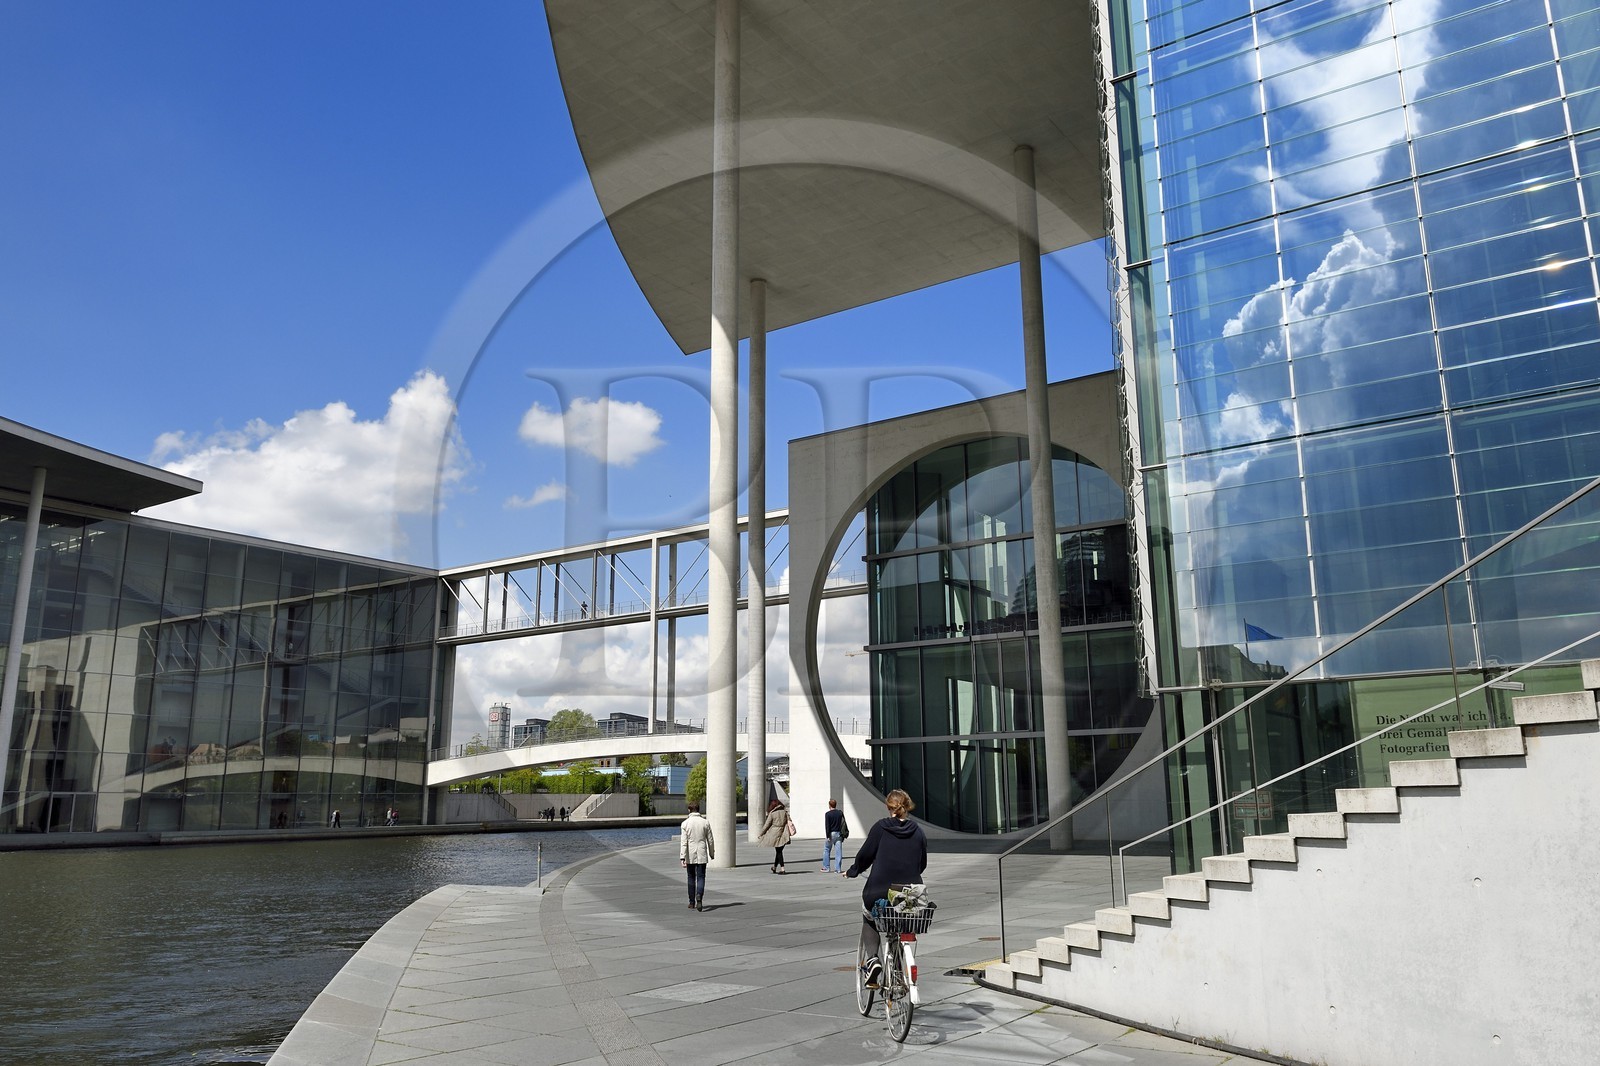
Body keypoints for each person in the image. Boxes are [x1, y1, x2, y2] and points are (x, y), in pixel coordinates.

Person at [846, 789, 927, 987]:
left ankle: (873, 960)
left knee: (868, 915)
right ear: (907, 806)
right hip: (912, 893)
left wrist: (853, 871)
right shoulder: (918, 830)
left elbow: (865, 855)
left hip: (880, 890)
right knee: (902, 922)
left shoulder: (880, 828)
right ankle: (899, 973)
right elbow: (921, 863)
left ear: (888, 806)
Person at [679, 801, 714, 911]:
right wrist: (712, 853)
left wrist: (682, 857)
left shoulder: (685, 824)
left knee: (691, 877)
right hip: (702, 852)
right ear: (698, 810)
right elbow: (710, 840)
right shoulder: (705, 823)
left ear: (689, 810)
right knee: (701, 876)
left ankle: (691, 902)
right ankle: (699, 895)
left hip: (690, 853)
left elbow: (684, 842)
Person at [756, 798, 794, 874]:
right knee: (779, 851)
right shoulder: (785, 812)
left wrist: (761, 833)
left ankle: (782, 869)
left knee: (779, 851)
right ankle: (774, 867)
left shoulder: (772, 814)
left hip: (775, 833)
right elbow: (790, 821)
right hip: (784, 833)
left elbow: (767, 825)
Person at [822, 799, 847, 873]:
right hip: (839, 834)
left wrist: (828, 836)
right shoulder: (839, 813)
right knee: (838, 852)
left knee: (826, 849)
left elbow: (827, 826)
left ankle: (826, 867)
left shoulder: (828, 814)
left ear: (829, 805)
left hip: (831, 834)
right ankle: (838, 869)